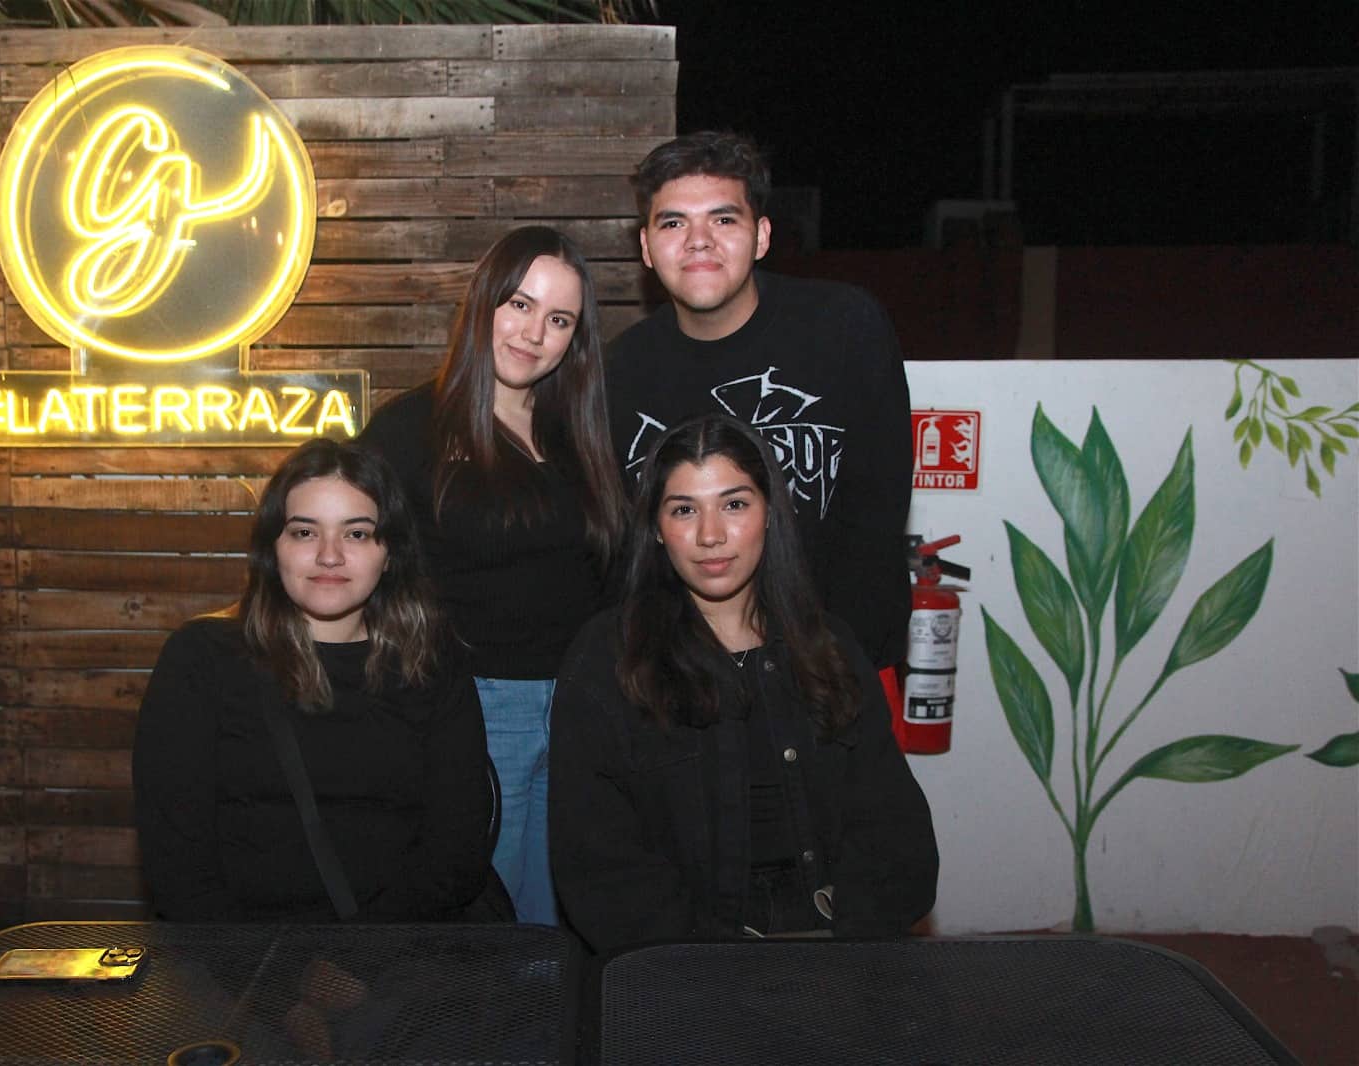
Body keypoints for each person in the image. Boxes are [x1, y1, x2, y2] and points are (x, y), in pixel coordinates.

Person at [550, 414, 937, 954]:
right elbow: (599, 867)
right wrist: (717, 967)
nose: (711, 535)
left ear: (771, 513)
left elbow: (895, 835)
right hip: (679, 967)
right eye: (684, 510)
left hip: (838, 950)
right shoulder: (606, 662)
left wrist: (842, 947)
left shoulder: (831, 647)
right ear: (657, 529)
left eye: (734, 504)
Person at [360, 225, 626, 925]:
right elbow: (362, 575)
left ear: (575, 337)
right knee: (490, 920)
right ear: (483, 304)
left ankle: (556, 1033)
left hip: (580, 706)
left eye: (559, 318)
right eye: (518, 304)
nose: (534, 332)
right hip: (475, 709)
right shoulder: (410, 430)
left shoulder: (583, 432)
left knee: (566, 915)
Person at [132, 440, 491, 922]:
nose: (329, 556)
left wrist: (354, 971)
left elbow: (454, 856)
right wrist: (267, 983)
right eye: (304, 532)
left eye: (357, 534)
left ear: (391, 553)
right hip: (233, 966)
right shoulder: (202, 660)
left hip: (396, 962)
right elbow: (177, 863)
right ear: (271, 549)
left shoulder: (431, 663)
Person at [607, 130, 914, 670]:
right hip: (688, 676)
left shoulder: (844, 329)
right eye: (673, 222)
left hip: (838, 659)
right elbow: (628, 556)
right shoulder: (620, 372)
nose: (698, 239)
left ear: (762, 236)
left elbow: (878, 515)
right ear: (646, 249)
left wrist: (841, 669)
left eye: (723, 219)